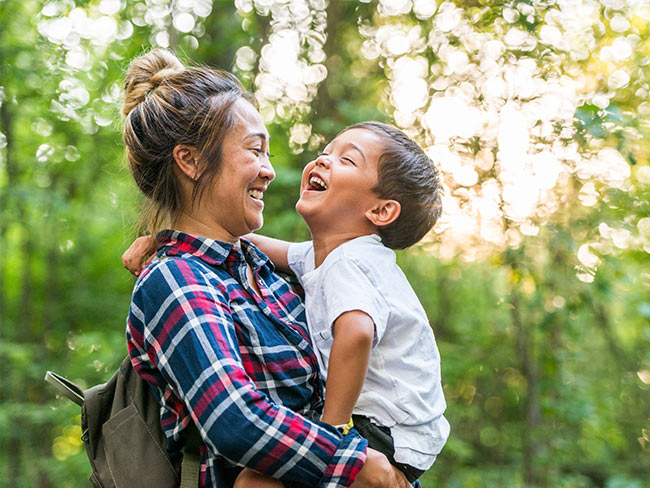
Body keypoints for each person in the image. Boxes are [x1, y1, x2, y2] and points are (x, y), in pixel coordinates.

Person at [120, 48, 410, 487]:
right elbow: (236, 421)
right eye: (255, 150)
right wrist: (364, 467)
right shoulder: (175, 279)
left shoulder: (266, 271)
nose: (269, 171)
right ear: (191, 160)